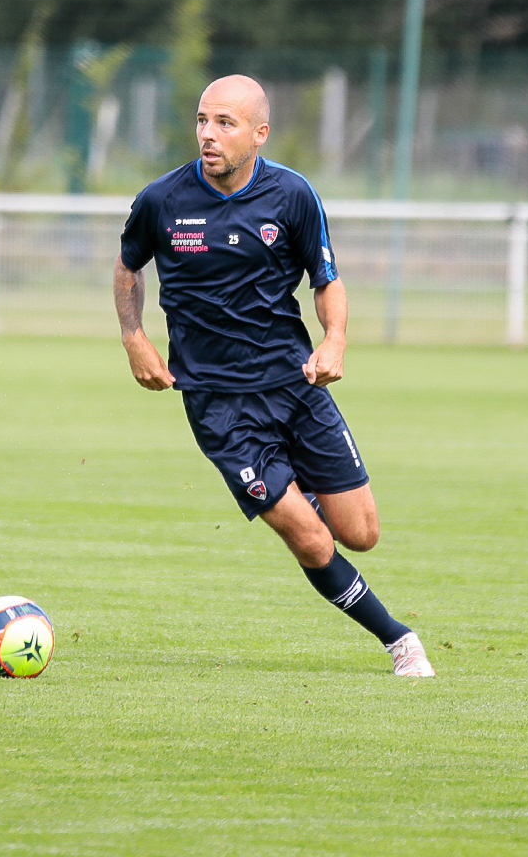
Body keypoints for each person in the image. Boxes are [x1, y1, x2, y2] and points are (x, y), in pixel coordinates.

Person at [113, 74, 434, 677]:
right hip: (218, 407)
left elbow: (326, 278)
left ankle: (301, 492)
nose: (208, 134)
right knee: (311, 540)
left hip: (295, 387)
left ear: (259, 134)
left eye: (225, 124)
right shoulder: (161, 200)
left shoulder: (292, 196)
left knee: (361, 534)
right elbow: (128, 267)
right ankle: (399, 641)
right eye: (203, 120)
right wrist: (135, 339)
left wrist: (335, 339)